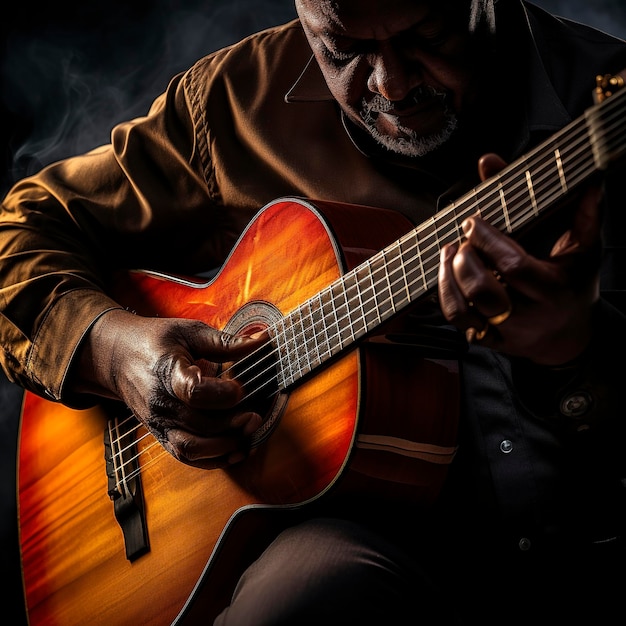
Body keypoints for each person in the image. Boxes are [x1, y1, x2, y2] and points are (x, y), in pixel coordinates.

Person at [2, 0, 626, 623]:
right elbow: (20, 235)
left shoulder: (596, 103)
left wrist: (574, 354)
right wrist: (117, 356)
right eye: (345, 51)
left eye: (427, 33)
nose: (392, 84)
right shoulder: (235, 108)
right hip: (363, 554)